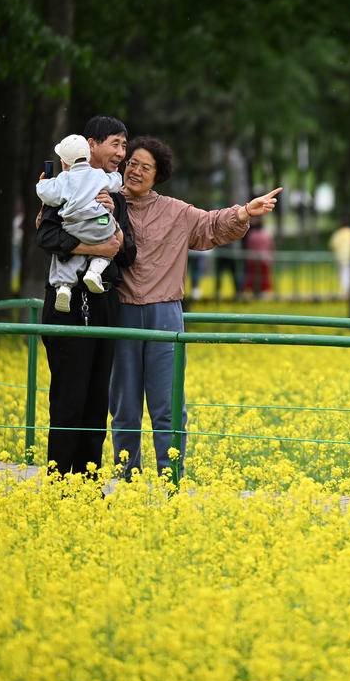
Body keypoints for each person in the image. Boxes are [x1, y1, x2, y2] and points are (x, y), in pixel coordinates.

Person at [110, 136, 281, 477]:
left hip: (165, 314)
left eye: (146, 167)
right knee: (124, 406)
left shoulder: (176, 211)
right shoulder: (108, 204)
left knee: (168, 405)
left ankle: (170, 476)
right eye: (132, 164)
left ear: (158, 175)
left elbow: (211, 226)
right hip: (122, 312)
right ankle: (126, 477)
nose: (136, 171)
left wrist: (245, 211)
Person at [35, 115, 136, 476]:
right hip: (65, 302)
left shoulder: (115, 196)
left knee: (97, 399)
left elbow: (128, 252)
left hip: (103, 300)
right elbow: (46, 237)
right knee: (68, 395)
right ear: (90, 145)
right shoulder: (60, 187)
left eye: (125, 146)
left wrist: (117, 242)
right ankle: (60, 484)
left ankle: (89, 485)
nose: (122, 154)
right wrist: (90, 247)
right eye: (116, 144)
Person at [36, 134, 123, 312]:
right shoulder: (99, 175)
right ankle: (94, 272)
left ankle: (64, 287)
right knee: (108, 245)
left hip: (73, 226)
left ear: (65, 163)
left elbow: (47, 193)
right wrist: (114, 177)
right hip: (99, 223)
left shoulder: (64, 179)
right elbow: (116, 181)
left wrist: (43, 183)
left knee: (67, 255)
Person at [242, 220, 274, 297]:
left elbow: (249, 247)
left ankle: (255, 293)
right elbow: (271, 247)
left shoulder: (252, 235)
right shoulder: (267, 235)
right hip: (265, 259)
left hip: (253, 259)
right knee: (264, 278)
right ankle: (262, 294)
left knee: (253, 278)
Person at [329, 223, 350, 296]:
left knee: (343, 273)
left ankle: (346, 290)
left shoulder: (338, 233)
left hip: (341, 257)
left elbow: (332, 245)